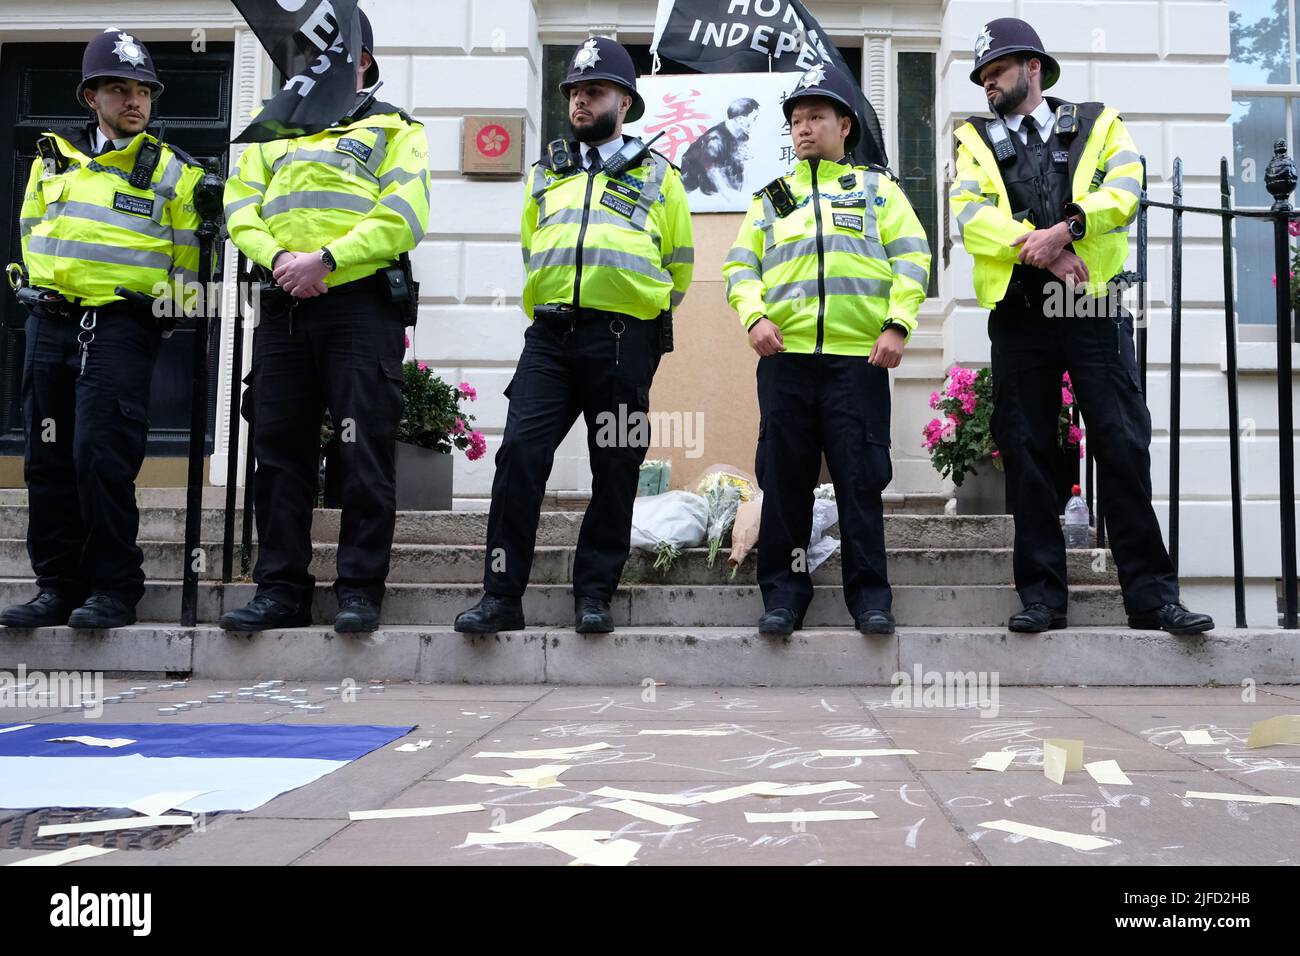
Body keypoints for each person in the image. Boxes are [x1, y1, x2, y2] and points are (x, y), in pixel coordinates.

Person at [949, 17, 1214, 634]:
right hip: (1019, 308)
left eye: (997, 73)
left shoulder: (1099, 122)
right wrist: (1036, 246)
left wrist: (1066, 229)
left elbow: (1126, 187)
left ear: (1033, 69)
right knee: (1029, 449)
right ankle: (1043, 598)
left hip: (1090, 304)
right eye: (983, 77)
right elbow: (969, 216)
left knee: (1121, 442)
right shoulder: (974, 141)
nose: (988, 85)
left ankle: (1151, 599)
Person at [454, 36, 694, 636]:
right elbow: (533, 246)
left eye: (594, 92)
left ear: (625, 101)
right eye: (574, 94)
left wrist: (639, 317)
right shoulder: (546, 173)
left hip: (623, 342)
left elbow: (680, 265)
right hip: (550, 340)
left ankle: (595, 595)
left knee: (615, 468)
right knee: (519, 458)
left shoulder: (660, 176)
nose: (581, 103)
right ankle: (501, 597)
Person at [220, 10, 430, 634]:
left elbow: (404, 214)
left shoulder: (395, 128)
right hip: (284, 301)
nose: (311, 66)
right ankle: (279, 590)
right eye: (305, 56)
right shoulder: (273, 131)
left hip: (359, 305)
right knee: (278, 451)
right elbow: (239, 205)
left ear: (362, 59)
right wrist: (281, 259)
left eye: (329, 55)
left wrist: (329, 261)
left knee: (363, 449)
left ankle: (359, 591)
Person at [1, 29, 203, 631]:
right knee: (45, 460)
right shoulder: (51, 158)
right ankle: (56, 586)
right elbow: (32, 230)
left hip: (118, 328)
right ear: (92, 96)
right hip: (48, 322)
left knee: (100, 457)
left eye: (143, 90)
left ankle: (115, 588)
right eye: (120, 89)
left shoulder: (175, 173)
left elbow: (188, 263)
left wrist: (156, 321)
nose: (135, 100)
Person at [723, 62, 931, 637]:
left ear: (845, 125)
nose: (803, 128)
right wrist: (754, 317)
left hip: (857, 361)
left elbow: (913, 258)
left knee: (860, 482)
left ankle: (870, 601)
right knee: (784, 481)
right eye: (795, 120)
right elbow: (740, 267)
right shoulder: (771, 198)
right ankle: (784, 599)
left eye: (815, 116)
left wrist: (898, 324)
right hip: (784, 359)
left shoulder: (877, 190)